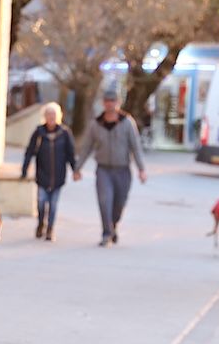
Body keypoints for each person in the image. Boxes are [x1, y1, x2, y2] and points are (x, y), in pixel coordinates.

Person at [81, 90, 147, 246]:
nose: (110, 104)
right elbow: (86, 147)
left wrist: (141, 169)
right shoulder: (96, 124)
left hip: (122, 170)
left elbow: (135, 146)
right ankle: (106, 233)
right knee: (105, 201)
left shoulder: (127, 122)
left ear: (117, 103)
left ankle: (113, 224)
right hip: (103, 169)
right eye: (107, 101)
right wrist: (77, 168)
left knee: (119, 203)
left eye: (113, 101)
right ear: (103, 103)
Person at [21, 102, 81, 241]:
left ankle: (50, 229)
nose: (51, 117)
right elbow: (29, 151)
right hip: (42, 174)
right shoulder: (39, 132)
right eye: (48, 115)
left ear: (58, 116)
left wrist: (75, 170)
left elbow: (70, 154)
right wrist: (25, 169)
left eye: (53, 115)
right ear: (45, 117)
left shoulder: (65, 133)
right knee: (41, 202)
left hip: (58, 176)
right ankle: (41, 223)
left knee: (53, 204)